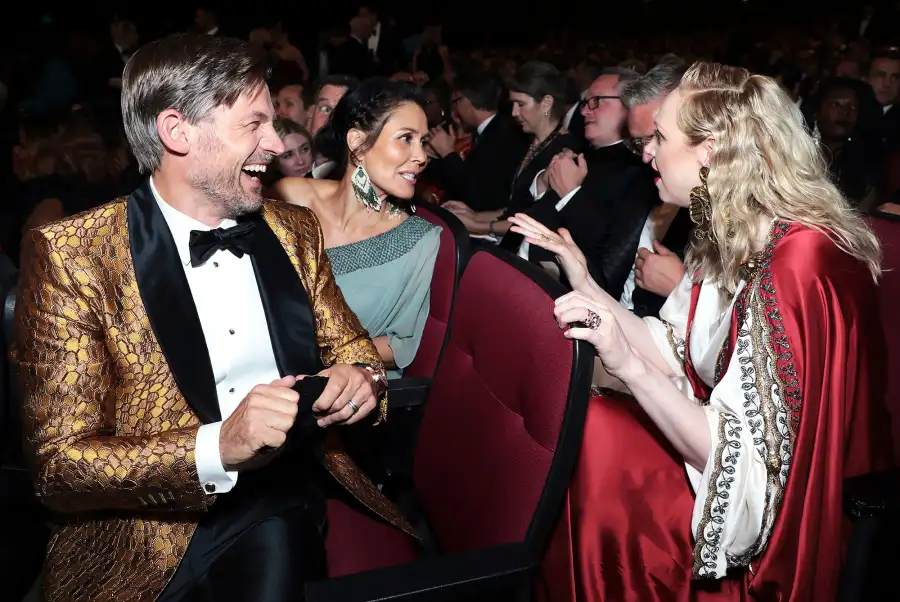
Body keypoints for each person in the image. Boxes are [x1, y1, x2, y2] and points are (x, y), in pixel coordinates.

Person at [15, 34, 414, 602]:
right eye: (252, 125)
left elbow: (352, 349)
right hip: (138, 531)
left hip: (279, 497)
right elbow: (59, 466)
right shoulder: (73, 254)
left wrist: (361, 379)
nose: (275, 143)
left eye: (273, 123)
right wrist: (219, 446)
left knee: (277, 545)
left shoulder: (293, 230)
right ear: (177, 132)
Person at [510, 61, 890, 601]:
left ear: (711, 151)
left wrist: (629, 367)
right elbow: (677, 347)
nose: (645, 151)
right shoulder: (733, 226)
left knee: (596, 440)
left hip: (763, 516)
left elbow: (752, 470)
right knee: (592, 429)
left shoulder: (795, 258)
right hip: (720, 456)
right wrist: (585, 281)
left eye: (660, 138)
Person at [276, 79, 440, 378]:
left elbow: (400, 345)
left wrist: (309, 357)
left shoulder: (419, 241)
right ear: (357, 143)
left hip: (343, 390)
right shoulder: (291, 198)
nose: (421, 157)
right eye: (406, 138)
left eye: (423, 141)